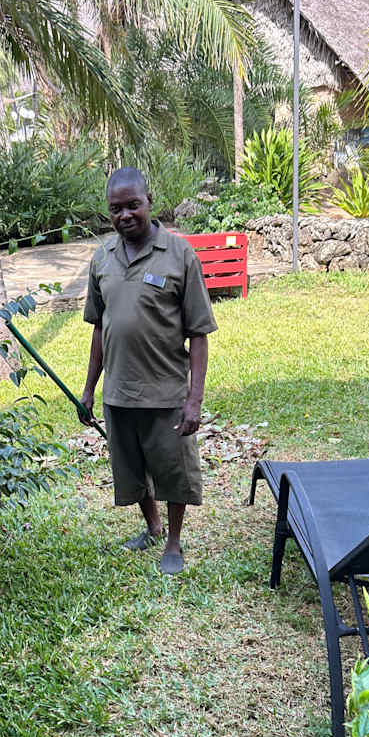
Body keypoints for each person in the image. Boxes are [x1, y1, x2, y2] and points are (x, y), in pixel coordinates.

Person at [79, 167, 217, 575]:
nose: (124, 215)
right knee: (132, 469)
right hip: (119, 393)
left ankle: (173, 542)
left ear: (149, 202)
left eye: (132, 205)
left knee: (173, 469)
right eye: (115, 209)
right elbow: (100, 328)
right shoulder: (102, 258)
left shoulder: (179, 254)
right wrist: (89, 389)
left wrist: (194, 400)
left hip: (165, 391)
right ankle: (152, 527)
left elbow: (199, 333)